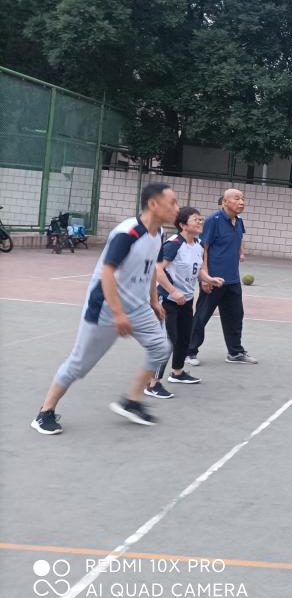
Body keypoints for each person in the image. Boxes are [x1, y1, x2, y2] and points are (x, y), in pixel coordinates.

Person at [30, 183, 179, 434]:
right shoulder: (127, 233)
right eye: (172, 202)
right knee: (79, 364)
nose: (177, 208)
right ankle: (45, 412)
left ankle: (132, 401)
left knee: (160, 346)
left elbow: (152, 267)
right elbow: (107, 272)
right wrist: (118, 313)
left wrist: (154, 300)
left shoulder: (159, 233)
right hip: (106, 308)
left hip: (138, 306)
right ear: (153, 204)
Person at [147, 207, 221, 398]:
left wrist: (209, 279)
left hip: (186, 300)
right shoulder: (174, 244)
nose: (200, 222)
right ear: (183, 225)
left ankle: (177, 373)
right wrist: (173, 291)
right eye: (196, 219)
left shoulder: (198, 244)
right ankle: (152, 384)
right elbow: (158, 269)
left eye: (201, 219)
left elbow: (197, 269)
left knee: (184, 337)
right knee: (166, 341)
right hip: (168, 300)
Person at [186, 188, 257, 366]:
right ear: (225, 202)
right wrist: (205, 277)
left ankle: (235, 352)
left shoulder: (239, 221)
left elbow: (238, 240)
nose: (242, 202)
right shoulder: (213, 220)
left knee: (235, 316)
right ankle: (189, 352)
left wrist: (241, 252)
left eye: (243, 198)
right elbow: (204, 248)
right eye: (237, 198)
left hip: (233, 279)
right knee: (202, 316)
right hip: (213, 279)